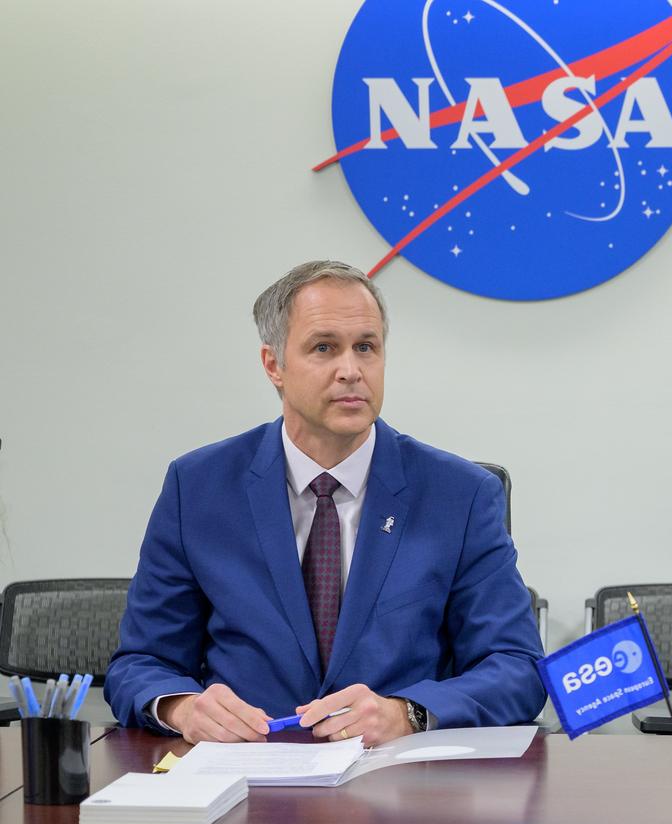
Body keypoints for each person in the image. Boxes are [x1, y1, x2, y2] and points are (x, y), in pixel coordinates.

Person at [108, 261, 544, 745]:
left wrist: (409, 714)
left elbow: (517, 669)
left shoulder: (459, 494)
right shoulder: (199, 487)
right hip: (244, 780)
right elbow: (141, 663)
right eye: (324, 348)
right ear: (274, 365)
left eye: (366, 347)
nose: (351, 371)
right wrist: (182, 707)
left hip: (401, 787)